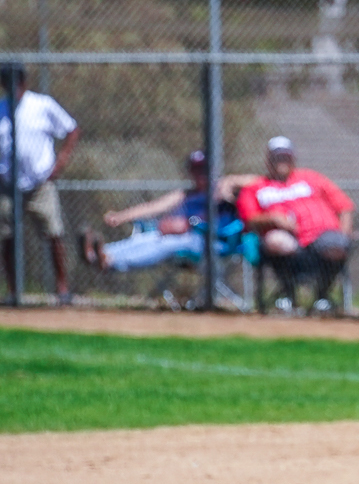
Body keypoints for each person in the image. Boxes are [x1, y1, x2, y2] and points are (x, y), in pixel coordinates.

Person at [81, 151, 259, 275]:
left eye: (204, 169)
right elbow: (154, 207)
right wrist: (121, 217)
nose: (200, 174)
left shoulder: (224, 189)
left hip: (214, 242)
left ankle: (110, 262)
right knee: (149, 238)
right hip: (186, 238)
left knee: (169, 243)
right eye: (196, 170)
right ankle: (100, 255)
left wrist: (230, 181)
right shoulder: (186, 194)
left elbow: (260, 182)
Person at [236, 136, 354, 312]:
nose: (281, 161)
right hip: (288, 244)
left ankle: (322, 297)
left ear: (293, 159)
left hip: (322, 238)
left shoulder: (311, 178)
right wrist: (273, 219)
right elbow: (249, 218)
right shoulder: (256, 187)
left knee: (337, 244)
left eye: (285, 157)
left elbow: (345, 206)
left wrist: (344, 234)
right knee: (276, 241)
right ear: (268, 160)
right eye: (277, 157)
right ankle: (289, 296)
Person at [0, 63, 80, 304]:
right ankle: (14, 293)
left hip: (39, 184)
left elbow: (71, 129)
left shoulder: (41, 105)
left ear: (24, 83)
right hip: (6, 186)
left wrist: (60, 162)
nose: (12, 88)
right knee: (7, 237)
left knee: (54, 234)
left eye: (16, 82)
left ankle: (62, 290)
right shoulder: (1, 108)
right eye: (7, 83)